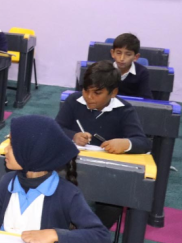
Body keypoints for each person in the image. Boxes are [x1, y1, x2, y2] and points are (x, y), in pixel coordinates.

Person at [0, 115, 112, 243]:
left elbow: (102, 238)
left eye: (12, 145)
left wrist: (55, 235)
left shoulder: (67, 194)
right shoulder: (7, 181)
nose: (5, 150)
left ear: (33, 152)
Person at [55, 60, 151, 229]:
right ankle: (63, 226)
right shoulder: (74, 101)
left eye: (97, 93)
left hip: (105, 172)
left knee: (114, 203)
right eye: (86, 90)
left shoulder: (125, 110)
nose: (89, 97)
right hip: (71, 167)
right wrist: (73, 136)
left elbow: (143, 143)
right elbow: (56, 128)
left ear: (113, 93)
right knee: (51, 185)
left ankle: (90, 232)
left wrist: (125, 143)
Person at [111, 33, 152, 99]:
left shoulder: (142, 73)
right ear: (112, 53)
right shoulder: (104, 70)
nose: (122, 58)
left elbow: (147, 99)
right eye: (118, 53)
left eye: (128, 54)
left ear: (136, 57)